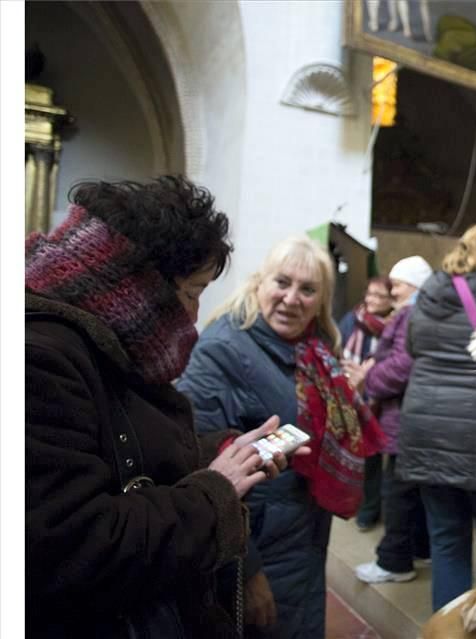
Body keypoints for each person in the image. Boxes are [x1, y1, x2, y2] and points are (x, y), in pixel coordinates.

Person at [26, 177, 295, 638]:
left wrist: (217, 450)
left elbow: (121, 446)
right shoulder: (38, 359)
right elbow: (70, 547)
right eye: (191, 291)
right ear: (135, 286)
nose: (193, 316)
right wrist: (217, 492)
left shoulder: (100, 343)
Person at [178, 236, 382, 639]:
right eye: (282, 283)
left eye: (307, 290)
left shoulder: (313, 348)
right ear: (260, 283)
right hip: (255, 545)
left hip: (301, 538)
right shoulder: (222, 350)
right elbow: (200, 470)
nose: (292, 299)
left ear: (321, 299)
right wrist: (246, 571)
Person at [396, 219, 476, 610]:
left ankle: (446, 630)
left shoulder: (433, 287)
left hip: (427, 426)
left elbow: (413, 345)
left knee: (446, 543)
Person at [351, 256, 435, 584]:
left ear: (413, 285)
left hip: (404, 418)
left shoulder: (411, 313)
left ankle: (394, 563)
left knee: (397, 492)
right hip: (414, 417)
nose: (392, 291)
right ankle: (419, 549)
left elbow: (402, 364)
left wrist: (369, 376)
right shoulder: (421, 311)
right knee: (415, 490)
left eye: (397, 284)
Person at [339, 276, 395, 532]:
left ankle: (375, 510)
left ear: (391, 299)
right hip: (353, 395)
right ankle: (361, 507)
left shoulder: (397, 324)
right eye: (369, 294)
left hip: (384, 397)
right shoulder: (353, 319)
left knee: (380, 460)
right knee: (362, 455)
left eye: (378, 296)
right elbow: (337, 348)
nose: (371, 300)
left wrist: (371, 373)